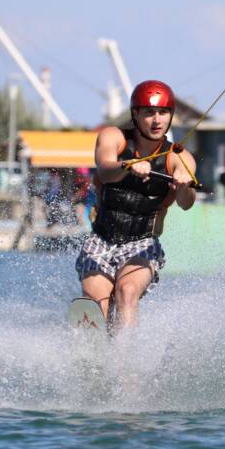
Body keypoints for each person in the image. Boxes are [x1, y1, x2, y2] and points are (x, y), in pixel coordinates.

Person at [74, 80, 197, 329]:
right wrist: (127, 166)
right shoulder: (114, 137)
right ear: (135, 115)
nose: (157, 120)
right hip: (102, 240)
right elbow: (106, 170)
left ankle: (124, 362)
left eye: (163, 113)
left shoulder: (178, 157)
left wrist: (185, 186)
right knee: (98, 304)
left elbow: (186, 204)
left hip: (143, 244)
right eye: (149, 113)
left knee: (127, 292)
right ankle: (95, 352)